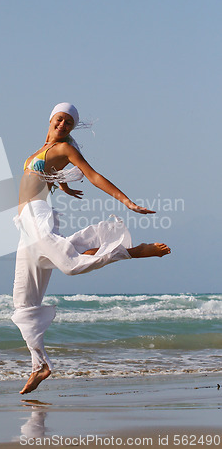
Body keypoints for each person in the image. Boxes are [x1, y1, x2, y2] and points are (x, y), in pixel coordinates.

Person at [12, 102, 171, 395]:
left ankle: (128, 251)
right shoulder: (39, 151)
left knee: (69, 265)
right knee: (23, 304)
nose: (63, 125)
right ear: (51, 119)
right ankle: (40, 366)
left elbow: (94, 175)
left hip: (37, 215)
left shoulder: (65, 150)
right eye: (60, 120)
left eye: (69, 123)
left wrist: (127, 201)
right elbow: (44, 175)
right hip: (25, 225)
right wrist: (61, 185)